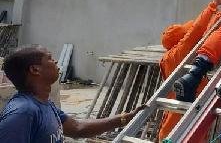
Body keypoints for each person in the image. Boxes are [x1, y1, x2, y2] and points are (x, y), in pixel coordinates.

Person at [0, 46, 144, 142]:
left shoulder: (45, 104)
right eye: (49, 58)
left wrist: (123, 119)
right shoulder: (23, 112)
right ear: (35, 70)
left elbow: (77, 128)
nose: (55, 61)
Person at [157, 0, 221, 141]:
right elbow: (198, 29)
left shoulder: (168, 57)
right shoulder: (180, 52)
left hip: (176, 122)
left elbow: (205, 29)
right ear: (180, 39)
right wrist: (214, 5)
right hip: (181, 127)